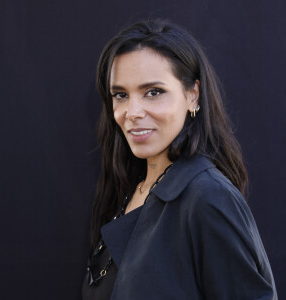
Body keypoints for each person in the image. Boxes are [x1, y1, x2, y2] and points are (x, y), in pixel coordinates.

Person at [82, 19, 278, 300]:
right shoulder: (133, 189)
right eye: (120, 95)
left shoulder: (208, 197)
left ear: (192, 95)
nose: (132, 111)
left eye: (153, 92)